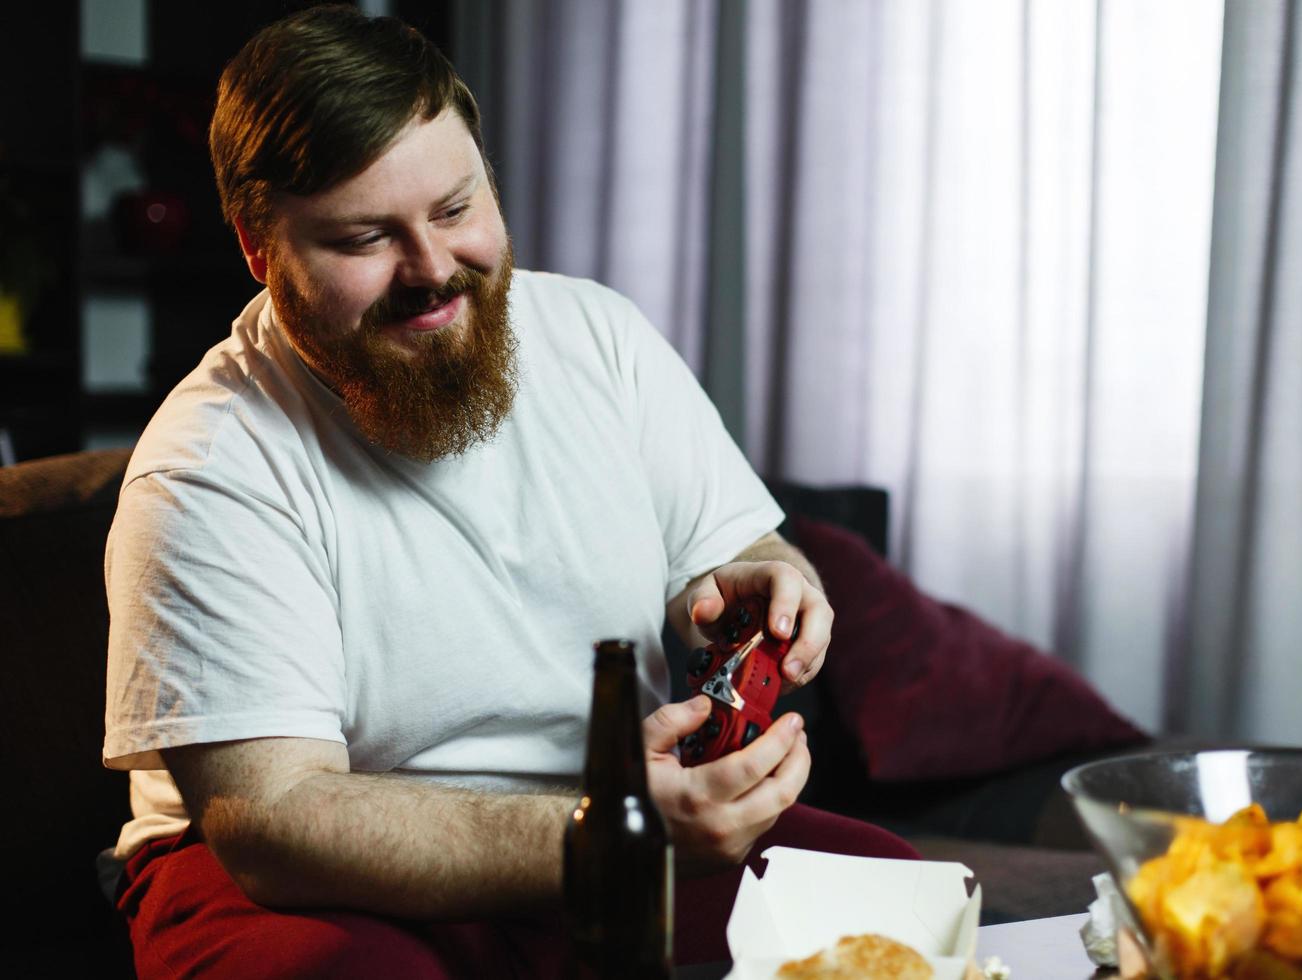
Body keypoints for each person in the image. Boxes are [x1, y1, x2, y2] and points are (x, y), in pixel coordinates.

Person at [102, 6, 917, 977]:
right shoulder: (206, 466)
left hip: (611, 811)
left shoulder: (600, 337)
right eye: (367, 237)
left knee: (904, 906)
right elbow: (275, 818)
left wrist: (761, 581)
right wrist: (608, 831)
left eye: (455, 208)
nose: (435, 270)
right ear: (256, 248)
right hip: (309, 866)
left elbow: (737, 555)